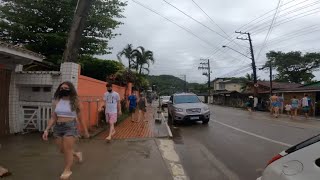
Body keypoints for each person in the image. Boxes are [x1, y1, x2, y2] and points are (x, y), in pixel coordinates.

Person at [42, 81, 89, 180]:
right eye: (62, 88)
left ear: (71, 89)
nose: (63, 90)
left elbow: (81, 118)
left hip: (70, 127)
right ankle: (76, 154)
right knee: (62, 150)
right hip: (58, 127)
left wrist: (85, 131)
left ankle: (67, 169)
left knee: (67, 150)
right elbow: (53, 117)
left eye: (66, 88)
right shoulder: (56, 101)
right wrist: (46, 129)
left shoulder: (76, 101)